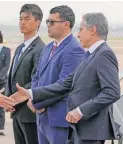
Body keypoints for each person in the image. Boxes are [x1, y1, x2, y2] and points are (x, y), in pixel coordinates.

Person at [11, 13, 121, 144]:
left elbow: (112, 92)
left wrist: (80, 111)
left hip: (91, 129)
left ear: (93, 30)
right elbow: (65, 83)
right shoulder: (90, 55)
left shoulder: (104, 54)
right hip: (79, 127)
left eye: (81, 29)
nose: (78, 35)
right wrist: (31, 93)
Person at [29, 5, 85, 144]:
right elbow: (37, 76)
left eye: (52, 22)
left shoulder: (74, 50)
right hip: (42, 118)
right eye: (47, 22)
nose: (48, 25)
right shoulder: (48, 48)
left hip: (58, 119)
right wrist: (33, 98)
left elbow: (65, 85)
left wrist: (37, 102)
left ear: (66, 24)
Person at [5, 4, 45, 144]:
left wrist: (13, 100)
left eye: (27, 19)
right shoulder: (19, 48)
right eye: (20, 19)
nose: (22, 22)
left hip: (29, 113)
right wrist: (7, 99)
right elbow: (11, 76)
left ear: (37, 22)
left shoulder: (41, 49)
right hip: (16, 111)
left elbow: (37, 79)